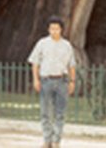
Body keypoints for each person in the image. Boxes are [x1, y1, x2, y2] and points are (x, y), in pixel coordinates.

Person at [27, 16, 76, 148]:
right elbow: (35, 63)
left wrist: (72, 82)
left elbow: (71, 65)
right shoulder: (42, 43)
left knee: (60, 113)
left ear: (61, 30)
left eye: (57, 28)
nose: (54, 31)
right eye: (52, 28)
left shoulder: (67, 45)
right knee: (45, 112)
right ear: (48, 29)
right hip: (46, 81)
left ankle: (56, 141)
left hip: (61, 81)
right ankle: (46, 140)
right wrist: (36, 79)